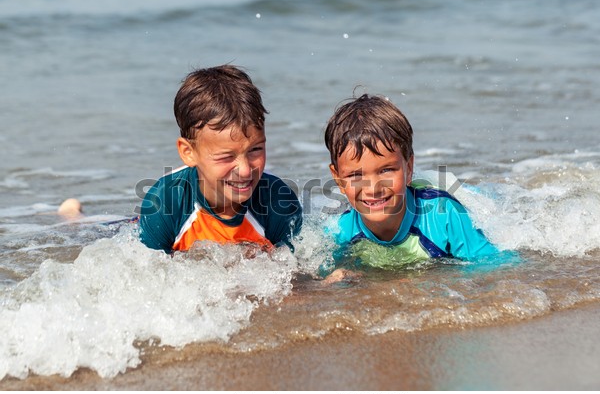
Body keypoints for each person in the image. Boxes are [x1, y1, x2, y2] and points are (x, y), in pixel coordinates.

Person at [323, 94, 499, 281]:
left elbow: (494, 267)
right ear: (339, 179)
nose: (373, 189)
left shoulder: (445, 217)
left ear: (408, 167)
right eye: (356, 175)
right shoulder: (337, 232)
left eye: (386, 170)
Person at [138, 65, 302, 253]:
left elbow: (294, 274)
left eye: (255, 150)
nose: (245, 170)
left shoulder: (279, 202)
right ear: (188, 152)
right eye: (226, 156)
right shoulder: (165, 204)